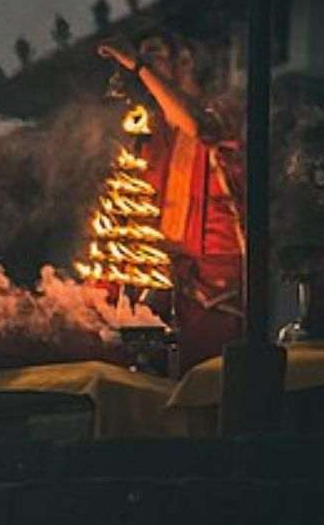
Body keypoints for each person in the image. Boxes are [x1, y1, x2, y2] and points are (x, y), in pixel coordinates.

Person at [97, 32, 245, 373]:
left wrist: (137, 64)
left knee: (208, 384)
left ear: (186, 61)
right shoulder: (157, 127)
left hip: (217, 288)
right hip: (165, 282)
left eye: (155, 54)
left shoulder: (224, 110)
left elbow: (197, 126)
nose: (143, 66)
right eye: (144, 56)